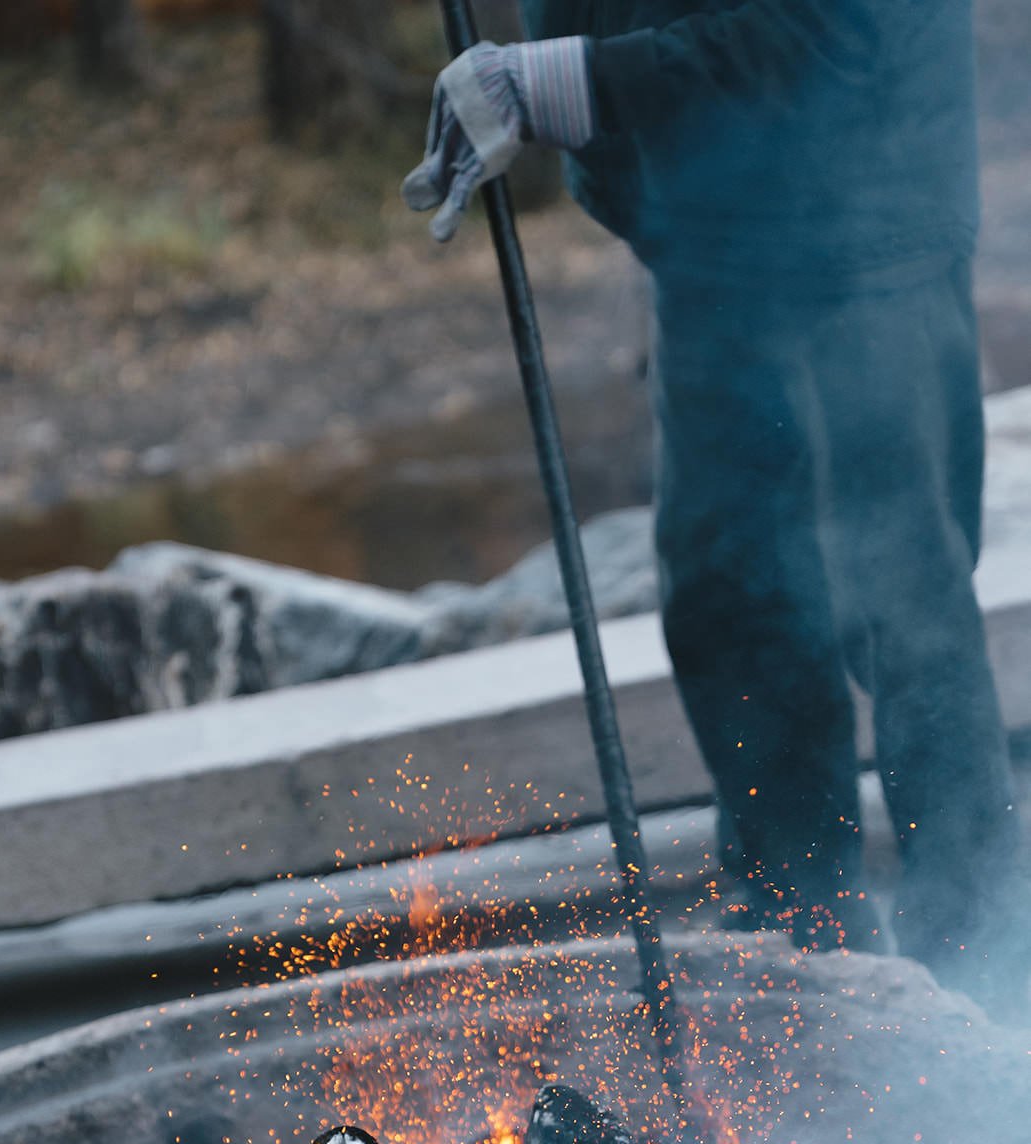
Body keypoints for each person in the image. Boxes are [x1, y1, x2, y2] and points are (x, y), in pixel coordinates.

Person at [402, 3, 1025, 1013]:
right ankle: (802, 958)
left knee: (901, 610)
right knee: (731, 605)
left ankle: (987, 974)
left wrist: (570, 81)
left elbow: (840, 29)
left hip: (861, 234)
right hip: (706, 230)